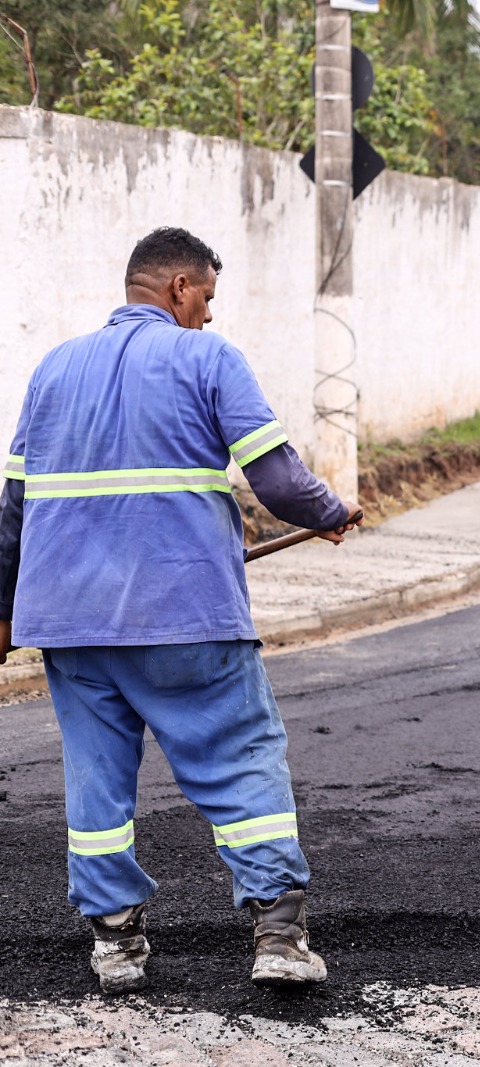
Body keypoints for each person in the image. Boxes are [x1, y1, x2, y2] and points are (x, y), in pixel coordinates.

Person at [0, 227, 360, 993]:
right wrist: (332, 510)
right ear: (178, 289)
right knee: (240, 758)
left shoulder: (53, 369)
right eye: (207, 300)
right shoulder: (208, 359)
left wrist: (3, 615)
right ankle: (279, 935)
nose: (208, 316)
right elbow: (280, 481)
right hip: (185, 611)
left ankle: (116, 944)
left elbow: (13, 508)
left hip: (69, 623)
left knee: (96, 781)